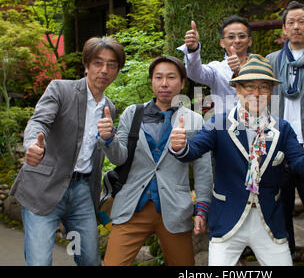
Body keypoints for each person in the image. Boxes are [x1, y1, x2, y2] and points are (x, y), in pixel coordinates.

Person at [170, 54, 304, 266]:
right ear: (238, 90)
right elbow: (193, 150)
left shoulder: (282, 128)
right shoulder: (219, 122)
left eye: (264, 87)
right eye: (249, 86)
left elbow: (299, 165)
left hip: (269, 219)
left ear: (270, 93)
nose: (256, 93)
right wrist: (180, 145)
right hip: (227, 219)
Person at [10, 37, 125, 266]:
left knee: (90, 260)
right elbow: (38, 121)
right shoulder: (61, 89)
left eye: (111, 65)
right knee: (40, 262)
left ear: (117, 71)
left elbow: (117, 156)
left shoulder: (108, 108)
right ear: (86, 65)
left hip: (82, 191)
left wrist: (109, 137)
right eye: (98, 63)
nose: (104, 70)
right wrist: (32, 144)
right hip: (44, 186)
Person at [98, 55, 213, 266]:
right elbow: (119, 156)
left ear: (182, 82)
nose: (164, 83)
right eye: (158, 77)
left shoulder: (194, 119)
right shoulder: (133, 113)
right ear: (151, 81)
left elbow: (203, 169)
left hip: (174, 208)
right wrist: (108, 140)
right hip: (133, 205)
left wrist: (202, 209)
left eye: (171, 77)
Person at [266, 1, 304, 264]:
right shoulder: (272, 61)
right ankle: (285, 255)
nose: (296, 26)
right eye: (291, 22)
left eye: (302, 21)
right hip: (279, 144)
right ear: (284, 28)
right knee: (281, 204)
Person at [177, 15, 253, 115]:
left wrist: (239, 72)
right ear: (222, 43)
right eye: (231, 37)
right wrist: (193, 50)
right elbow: (194, 73)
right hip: (224, 127)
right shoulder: (217, 69)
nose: (237, 40)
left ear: (250, 41)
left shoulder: (262, 65)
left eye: (242, 36)